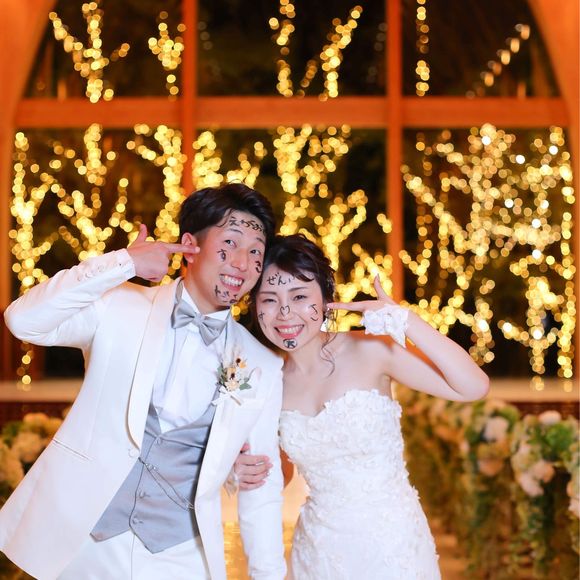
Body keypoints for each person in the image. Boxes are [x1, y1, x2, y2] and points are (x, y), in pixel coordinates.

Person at [0, 183, 286, 580]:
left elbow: (261, 486)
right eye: (230, 243)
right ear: (190, 245)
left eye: (256, 251)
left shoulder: (262, 364)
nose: (242, 262)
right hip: (84, 542)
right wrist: (124, 262)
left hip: (183, 554)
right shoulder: (119, 305)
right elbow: (24, 320)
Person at [235, 234, 490, 579]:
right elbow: (281, 473)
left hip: (393, 548)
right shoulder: (266, 380)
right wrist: (241, 468)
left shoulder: (371, 350)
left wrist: (404, 320)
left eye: (299, 296)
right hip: (318, 553)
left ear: (326, 298)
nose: (285, 313)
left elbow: (473, 386)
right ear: (254, 306)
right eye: (269, 299)